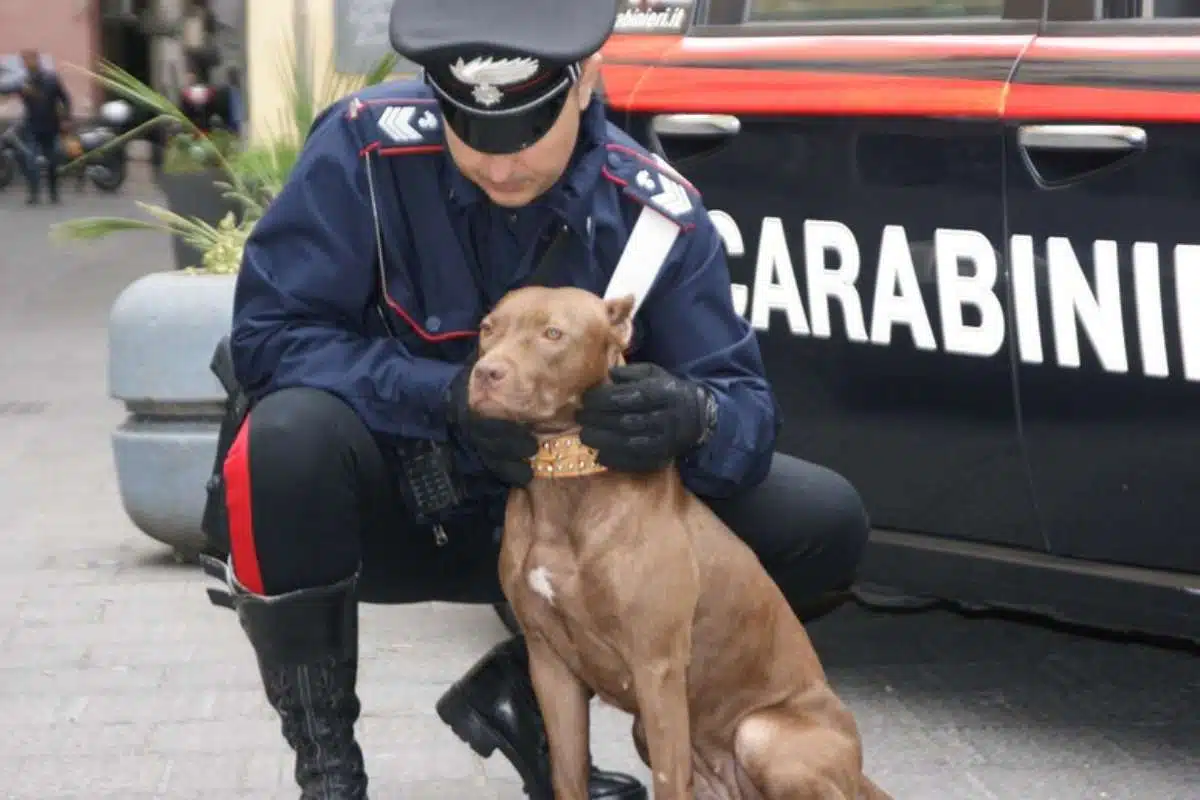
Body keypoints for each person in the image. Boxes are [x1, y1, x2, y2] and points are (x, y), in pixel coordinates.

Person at [200, 0, 870, 797]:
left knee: (818, 520)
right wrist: (442, 399)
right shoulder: (363, 150)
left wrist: (692, 417)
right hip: (410, 501)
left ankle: (526, 689)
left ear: (584, 84)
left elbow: (746, 408)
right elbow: (270, 336)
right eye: (471, 134)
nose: (500, 165)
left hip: (588, 525)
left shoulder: (651, 213)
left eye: (524, 135)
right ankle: (329, 773)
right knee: (285, 439)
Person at [10, 50, 70, 205]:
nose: (27, 63)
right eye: (24, 61)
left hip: (51, 126)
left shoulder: (51, 79)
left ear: (37, 60)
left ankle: (53, 193)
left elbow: (65, 99)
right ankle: (34, 193)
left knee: (53, 161)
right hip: (31, 126)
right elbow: (6, 89)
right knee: (30, 161)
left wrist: (66, 119)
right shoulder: (23, 82)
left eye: (29, 60)